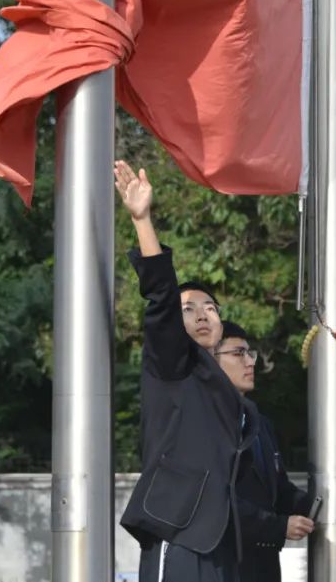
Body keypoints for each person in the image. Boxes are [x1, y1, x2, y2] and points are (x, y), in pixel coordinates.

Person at [114, 160, 258, 582]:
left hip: (220, 541)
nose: (202, 314)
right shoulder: (172, 363)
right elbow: (161, 296)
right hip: (178, 533)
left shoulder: (227, 387)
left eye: (210, 308)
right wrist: (142, 219)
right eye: (189, 308)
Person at [215, 321, 316, 582]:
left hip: (263, 567)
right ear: (210, 361)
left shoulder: (260, 424)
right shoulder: (203, 422)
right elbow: (212, 500)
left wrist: (324, 503)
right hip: (221, 565)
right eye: (238, 353)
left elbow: (279, 490)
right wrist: (277, 526)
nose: (250, 362)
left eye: (251, 353)